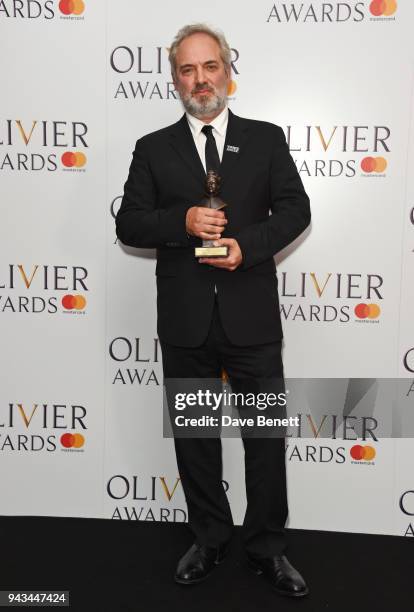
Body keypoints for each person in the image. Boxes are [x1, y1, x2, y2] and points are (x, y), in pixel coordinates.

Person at [116, 23, 311, 597]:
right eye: (187, 69)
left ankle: (269, 549)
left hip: (250, 319)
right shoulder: (153, 148)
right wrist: (181, 221)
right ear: (175, 78)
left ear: (228, 69)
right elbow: (128, 223)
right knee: (196, 439)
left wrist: (245, 246)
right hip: (186, 322)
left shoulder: (267, 139)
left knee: (264, 440)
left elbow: (296, 212)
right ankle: (208, 538)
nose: (200, 79)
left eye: (209, 66)